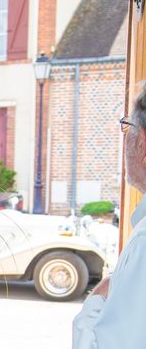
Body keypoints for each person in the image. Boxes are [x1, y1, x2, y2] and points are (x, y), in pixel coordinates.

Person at [73, 87, 146, 348]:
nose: (124, 140)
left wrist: (96, 299)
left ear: (143, 144)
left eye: (127, 128)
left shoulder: (143, 243)